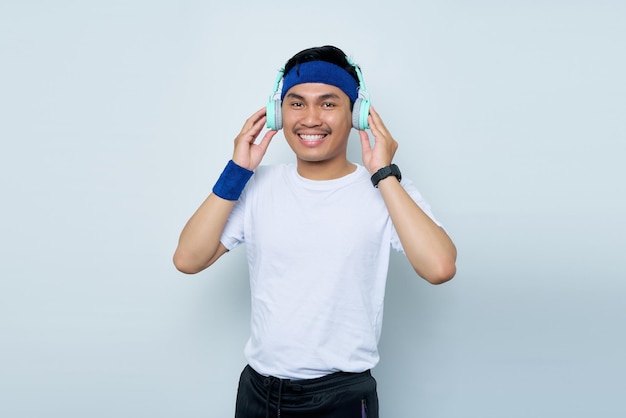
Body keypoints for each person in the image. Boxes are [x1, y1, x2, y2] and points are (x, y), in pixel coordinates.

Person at [173, 45, 457, 418]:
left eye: (328, 103)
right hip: (258, 393)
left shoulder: (386, 189)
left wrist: (383, 172)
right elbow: (188, 259)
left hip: (339, 398)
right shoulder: (255, 185)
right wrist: (237, 170)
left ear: (357, 114)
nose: (310, 118)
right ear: (279, 113)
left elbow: (439, 267)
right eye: (296, 103)